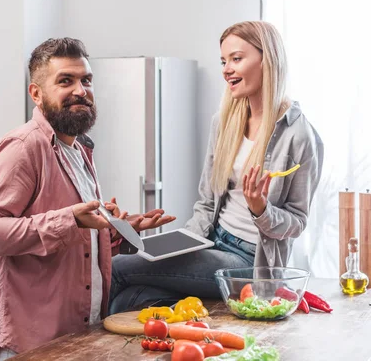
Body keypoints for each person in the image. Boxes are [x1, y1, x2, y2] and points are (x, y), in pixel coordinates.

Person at [0, 38, 174, 360]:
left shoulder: (79, 151)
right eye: (66, 80)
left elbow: (78, 241)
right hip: (32, 343)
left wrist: (117, 230)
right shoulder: (22, 148)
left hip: (79, 336)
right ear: (36, 94)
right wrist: (69, 219)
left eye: (86, 80)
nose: (81, 90)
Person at [108, 21, 324, 314]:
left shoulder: (299, 135)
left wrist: (261, 209)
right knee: (128, 299)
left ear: (268, 60)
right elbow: (207, 203)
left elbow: (297, 221)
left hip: (249, 260)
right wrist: (179, 245)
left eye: (236, 58)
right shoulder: (224, 121)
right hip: (209, 241)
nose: (226, 69)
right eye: (224, 61)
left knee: (119, 267)